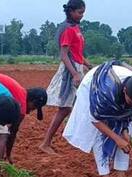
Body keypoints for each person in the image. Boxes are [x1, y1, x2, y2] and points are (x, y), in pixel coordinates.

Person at [63, 61, 132, 177]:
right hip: (93, 85)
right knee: (99, 135)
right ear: (125, 91)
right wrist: (116, 138)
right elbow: (96, 120)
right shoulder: (105, 93)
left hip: (117, 92)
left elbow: (129, 112)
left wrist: (124, 131)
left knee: (127, 138)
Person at [40, 0, 92, 154]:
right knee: (65, 109)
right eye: (79, 12)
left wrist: (88, 65)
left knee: (76, 105)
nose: (81, 15)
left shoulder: (76, 28)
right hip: (70, 72)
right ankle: (45, 143)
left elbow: (78, 53)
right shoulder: (68, 30)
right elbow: (64, 55)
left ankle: (76, 137)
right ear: (71, 12)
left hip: (77, 67)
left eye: (83, 12)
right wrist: (75, 73)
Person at [0, 71, 47, 163]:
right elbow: (12, 133)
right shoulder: (21, 106)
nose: (30, 112)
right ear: (32, 100)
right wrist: (9, 155)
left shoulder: (20, 92)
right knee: (3, 133)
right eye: (33, 108)